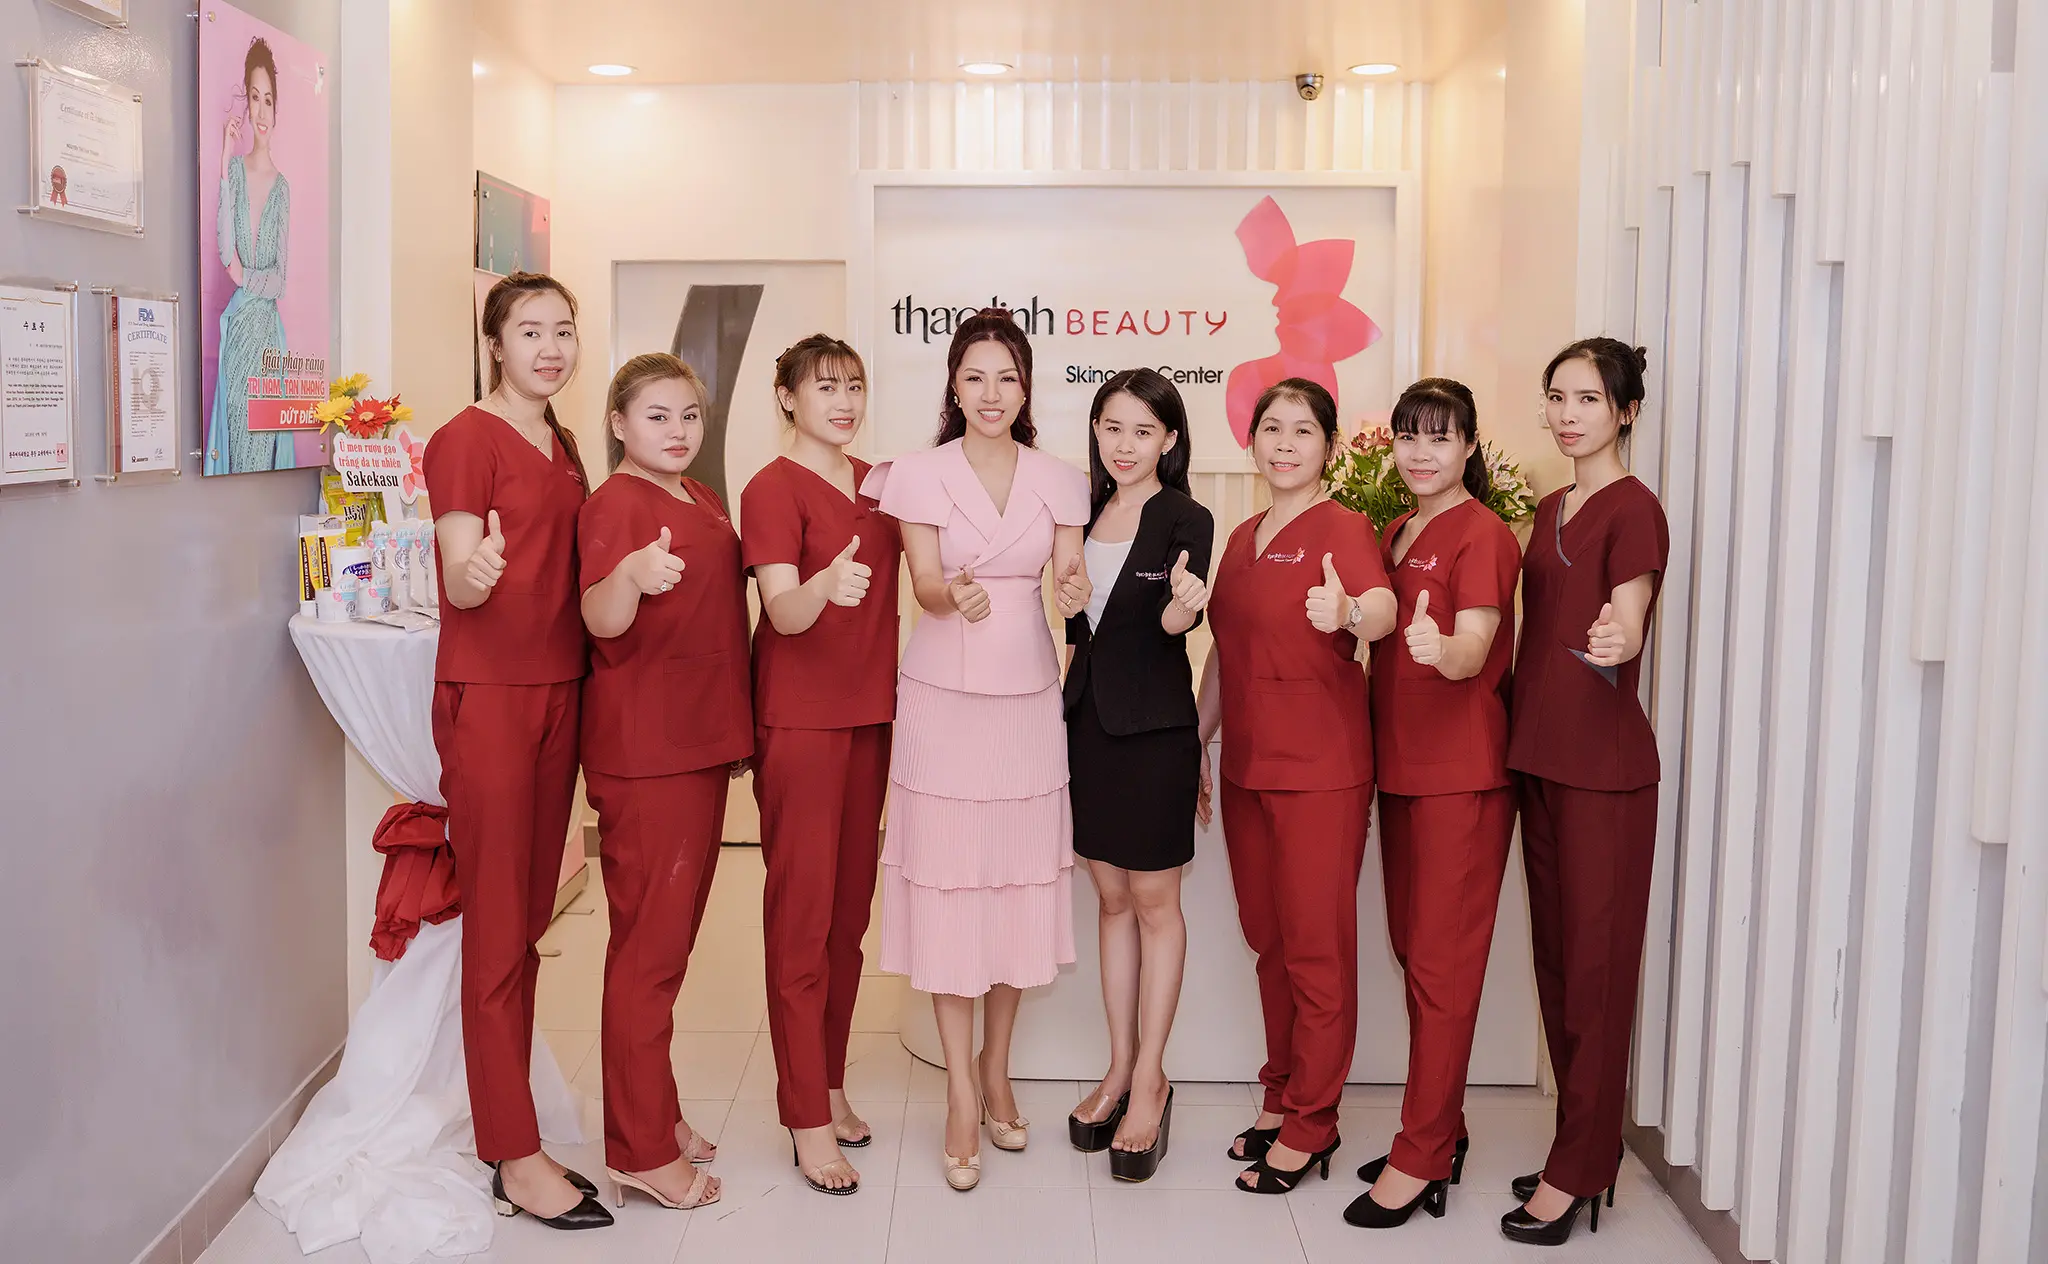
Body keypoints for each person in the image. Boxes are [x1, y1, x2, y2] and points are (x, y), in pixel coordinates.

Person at [860, 309, 1092, 1192]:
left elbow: (1068, 580)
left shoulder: (1061, 480)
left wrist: (1073, 590)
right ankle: (961, 1089)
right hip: (943, 700)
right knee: (952, 888)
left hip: (1026, 698)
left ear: (1026, 388)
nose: (991, 394)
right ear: (953, 386)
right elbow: (921, 582)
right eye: (975, 377)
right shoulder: (917, 475)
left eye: (1007, 377)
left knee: (1012, 884)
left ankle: (999, 1068)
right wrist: (950, 595)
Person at [424, 272, 610, 1230]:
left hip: (560, 692)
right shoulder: (465, 438)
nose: (550, 347)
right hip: (493, 699)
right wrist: (476, 569)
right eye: (529, 330)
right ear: (494, 343)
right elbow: (461, 574)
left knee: (532, 911)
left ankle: (514, 1121)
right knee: (498, 925)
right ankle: (512, 1152)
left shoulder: (564, 444)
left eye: (563, 330)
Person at [1197, 377, 1397, 1194]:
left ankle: (1315, 1122)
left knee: (1316, 950)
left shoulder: (1343, 527)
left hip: (1321, 774)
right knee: (1269, 942)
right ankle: (1281, 1094)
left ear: (1330, 445)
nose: (1284, 444)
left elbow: (1381, 607)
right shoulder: (1242, 538)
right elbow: (1224, 652)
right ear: (1251, 441)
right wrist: (1194, 744)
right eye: (1271, 429)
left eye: (1303, 430)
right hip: (1246, 769)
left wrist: (1348, 615)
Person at [1500, 338, 1668, 1246]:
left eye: (1589, 399)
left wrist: (1619, 637)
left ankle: (1580, 1167)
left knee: (1596, 977)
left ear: (1626, 412)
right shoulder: (1548, 507)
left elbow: (1628, 612)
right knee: (1559, 970)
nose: (1568, 415)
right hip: (1538, 758)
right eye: (1557, 396)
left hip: (1604, 772)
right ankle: (1581, 1149)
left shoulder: (1634, 510)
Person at [1343, 379, 1521, 1230]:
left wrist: (1439, 647)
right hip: (1402, 772)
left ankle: (1419, 1157)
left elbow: (1475, 646)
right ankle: (1441, 1127)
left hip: (1461, 776)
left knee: (1443, 970)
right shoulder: (1396, 530)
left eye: (1440, 438)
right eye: (1409, 436)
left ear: (1470, 447)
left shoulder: (1483, 533)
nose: (1420, 453)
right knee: (1415, 954)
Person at [577, 352, 749, 1213]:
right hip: (649, 757)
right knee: (647, 956)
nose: (678, 430)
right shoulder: (615, 505)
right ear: (618, 424)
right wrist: (628, 578)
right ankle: (640, 1150)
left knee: (666, 951)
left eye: (688, 415)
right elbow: (599, 617)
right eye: (657, 415)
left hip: (696, 746)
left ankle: (658, 1111)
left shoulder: (700, 497)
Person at [742, 335, 902, 1196]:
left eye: (854, 387)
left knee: (847, 919)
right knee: (801, 921)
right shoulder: (771, 488)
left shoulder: (879, 485)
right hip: (800, 725)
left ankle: (830, 1083)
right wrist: (822, 588)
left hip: (869, 720)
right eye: (825, 387)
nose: (843, 403)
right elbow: (781, 610)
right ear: (787, 397)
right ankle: (805, 1114)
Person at [1061, 369, 1213, 1182]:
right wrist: (1068, 604)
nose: (1124, 445)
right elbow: (1076, 627)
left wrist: (1187, 604)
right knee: (1111, 899)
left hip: (1156, 732)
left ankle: (1152, 1079)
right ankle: (1118, 1067)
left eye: (1143, 431)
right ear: (1096, 431)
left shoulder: (1187, 517)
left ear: (1170, 440)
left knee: (1156, 904)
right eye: (1112, 427)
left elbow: (1172, 621)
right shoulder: (1080, 510)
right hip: (1087, 725)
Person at [205, 37, 295, 474]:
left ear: (277, 110)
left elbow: (280, 279)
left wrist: (245, 277)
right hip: (239, 331)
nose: (261, 111)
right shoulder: (236, 174)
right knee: (237, 452)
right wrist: (225, 159)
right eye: (254, 98)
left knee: (264, 456)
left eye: (268, 100)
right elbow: (225, 248)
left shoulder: (282, 188)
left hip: (268, 341)